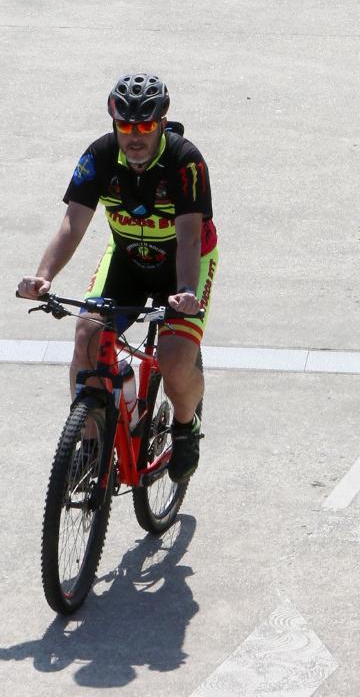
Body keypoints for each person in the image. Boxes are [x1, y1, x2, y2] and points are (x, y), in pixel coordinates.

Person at [16, 75, 218, 484]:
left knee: (175, 360)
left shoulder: (185, 161)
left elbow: (189, 237)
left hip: (184, 262)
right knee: (86, 336)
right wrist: (42, 276)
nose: (135, 136)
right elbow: (72, 225)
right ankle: (91, 444)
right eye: (126, 127)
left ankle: (184, 426)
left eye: (144, 126)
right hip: (127, 257)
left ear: (162, 123)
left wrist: (183, 293)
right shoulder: (100, 157)